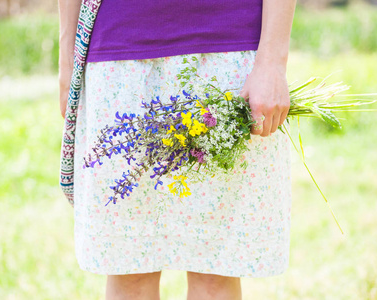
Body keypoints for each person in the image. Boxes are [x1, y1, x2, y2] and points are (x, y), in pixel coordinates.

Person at [58, 0, 296, 299]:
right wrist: (67, 57)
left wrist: (273, 61)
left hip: (228, 44)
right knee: (128, 269)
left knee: (215, 273)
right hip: (118, 56)